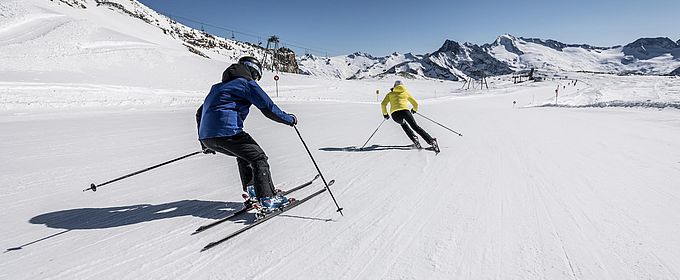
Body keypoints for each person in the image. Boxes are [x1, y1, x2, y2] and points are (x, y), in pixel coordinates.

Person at [196, 56, 297, 213]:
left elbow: (199, 113)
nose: (256, 80)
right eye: (256, 76)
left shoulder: (217, 87)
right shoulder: (246, 83)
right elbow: (268, 107)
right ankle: (267, 199)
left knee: (245, 155)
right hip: (227, 133)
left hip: (208, 137)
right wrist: (289, 119)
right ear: (254, 72)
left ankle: (254, 191)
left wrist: (205, 143)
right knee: (258, 158)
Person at [380, 80, 438, 152]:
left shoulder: (390, 94)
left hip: (395, 115)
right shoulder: (405, 93)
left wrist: (385, 114)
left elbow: (383, 104)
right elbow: (415, 104)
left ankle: (414, 139)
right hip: (405, 112)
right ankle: (431, 141)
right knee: (415, 127)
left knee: (403, 124)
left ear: (394, 86)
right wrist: (414, 110)